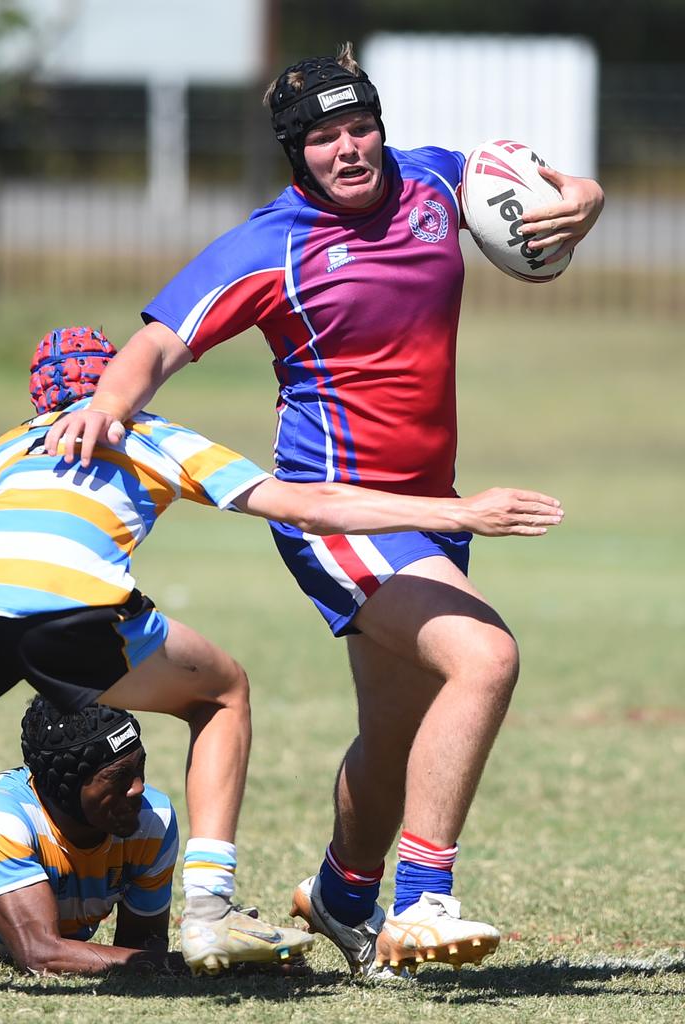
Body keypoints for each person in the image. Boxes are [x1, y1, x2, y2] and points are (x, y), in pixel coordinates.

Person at [43, 45, 602, 978]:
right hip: (335, 518)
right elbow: (158, 340)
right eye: (325, 138)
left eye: (361, 127)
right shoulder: (272, 244)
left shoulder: (432, 180)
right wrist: (109, 401)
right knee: (485, 657)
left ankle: (341, 895)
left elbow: (542, 184)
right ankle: (421, 905)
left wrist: (584, 198)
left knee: (398, 733)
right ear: (294, 153)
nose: (351, 150)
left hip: (420, 509)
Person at [0, 325, 563, 976]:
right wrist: (459, 513)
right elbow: (308, 506)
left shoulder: (1, 452)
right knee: (220, 694)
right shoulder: (154, 434)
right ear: (125, 381)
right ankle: (209, 911)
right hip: (73, 599)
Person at [0, 698, 185, 973]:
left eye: (140, 766)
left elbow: (141, 949)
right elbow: (41, 955)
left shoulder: (152, 820)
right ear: (68, 785)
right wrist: (188, 966)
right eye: (119, 776)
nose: (138, 788)